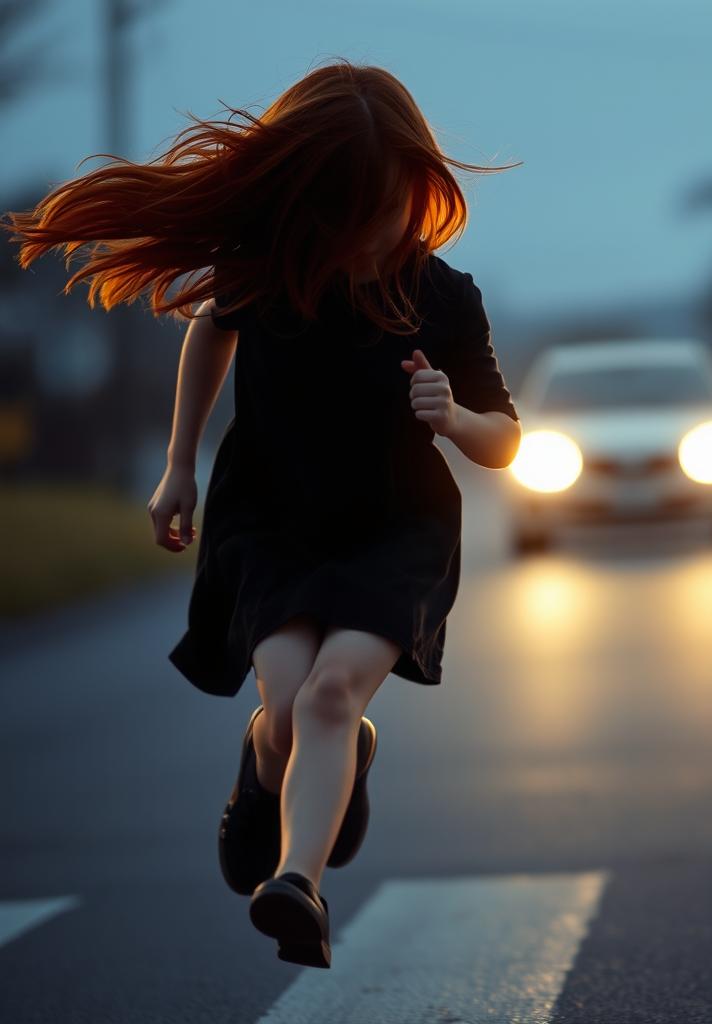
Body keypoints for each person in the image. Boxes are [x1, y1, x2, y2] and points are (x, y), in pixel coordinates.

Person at [3, 59, 523, 969]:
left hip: (397, 532)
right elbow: (210, 330)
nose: (366, 231)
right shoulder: (270, 272)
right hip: (272, 520)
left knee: (329, 693)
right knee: (286, 708)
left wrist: (455, 416)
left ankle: (297, 885)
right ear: (312, 198)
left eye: (384, 204)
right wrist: (177, 467)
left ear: (418, 184)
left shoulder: (445, 297)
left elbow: (506, 440)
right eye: (346, 208)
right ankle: (265, 760)